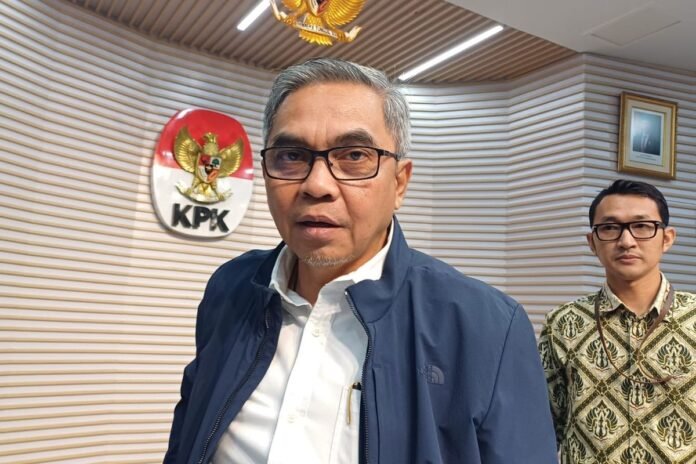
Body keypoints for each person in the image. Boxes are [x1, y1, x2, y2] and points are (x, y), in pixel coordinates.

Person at [165, 57, 557, 464]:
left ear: (400, 183)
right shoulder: (231, 289)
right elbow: (189, 432)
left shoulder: (486, 326)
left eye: (354, 155)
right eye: (291, 155)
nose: (317, 185)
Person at [538, 179, 696, 464]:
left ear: (667, 238)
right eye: (610, 228)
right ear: (592, 242)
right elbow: (542, 428)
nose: (626, 241)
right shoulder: (562, 323)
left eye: (642, 226)